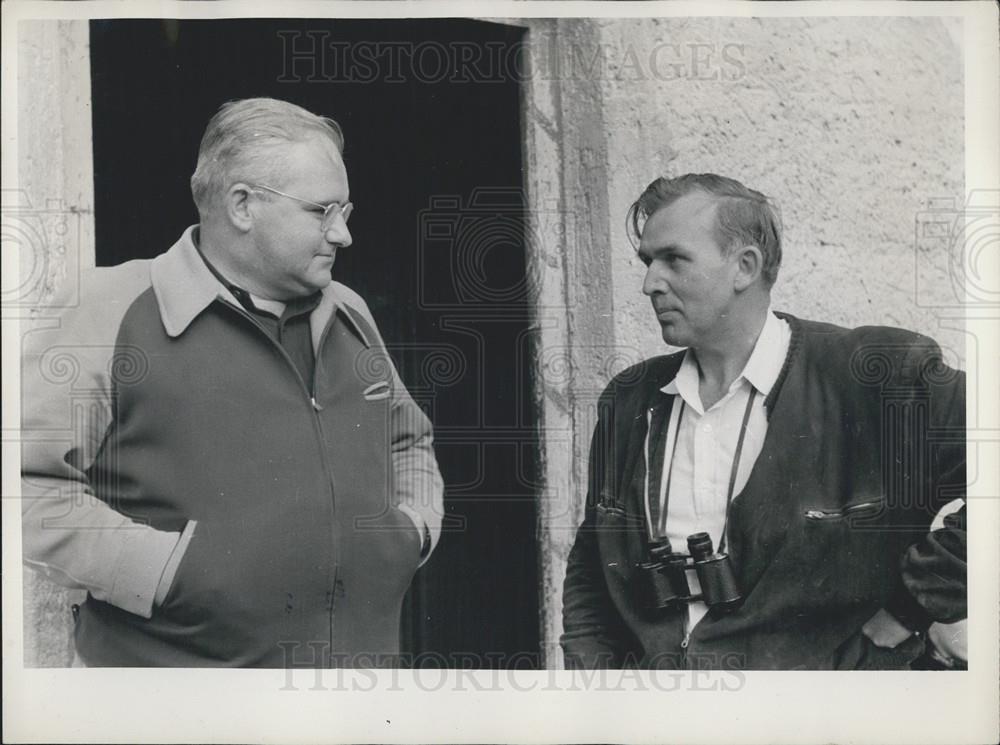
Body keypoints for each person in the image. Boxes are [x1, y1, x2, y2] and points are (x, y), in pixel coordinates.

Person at [21, 97, 444, 667]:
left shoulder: (351, 312)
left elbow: (407, 440)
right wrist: (170, 575)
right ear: (242, 205)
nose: (343, 234)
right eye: (322, 211)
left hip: (353, 699)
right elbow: (24, 488)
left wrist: (409, 532)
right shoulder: (110, 309)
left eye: (346, 210)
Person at [561, 173, 966, 670]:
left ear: (744, 267)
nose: (650, 284)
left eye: (673, 259)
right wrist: (594, 687)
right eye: (648, 263)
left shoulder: (875, 375)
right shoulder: (629, 400)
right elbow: (592, 563)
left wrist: (910, 608)